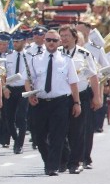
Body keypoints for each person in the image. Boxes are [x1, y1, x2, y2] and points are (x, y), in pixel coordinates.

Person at [26, 28, 81, 176]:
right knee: (39, 136)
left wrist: (77, 103)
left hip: (60, 102)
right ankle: (49, 161)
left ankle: (53, 166)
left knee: (58, 135)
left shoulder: (66, 60)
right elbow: (29, 79)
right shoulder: (35, 59)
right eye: (48, 40)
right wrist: (31, 94)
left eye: (54, 40)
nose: (51, 43)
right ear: (44, 41)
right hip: (41, 102)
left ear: (59, 42)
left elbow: (73, 83)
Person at [60, 25, 101, 173]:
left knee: (77, 130)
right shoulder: (56, 53)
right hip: (61, 96)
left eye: (67, 36)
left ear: (74, 38)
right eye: (62, 36)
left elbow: (93, 76)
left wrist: (97, 96)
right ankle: (63, 159)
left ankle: (75, 162)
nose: (64, 39)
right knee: (60, 129)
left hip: (81, 94)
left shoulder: (84, 54)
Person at [3, 31, 31, 154]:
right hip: (10, 88)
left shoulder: (30, 56)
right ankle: (16, 138)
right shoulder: (8, 56)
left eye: (18, 41)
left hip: (23, 89)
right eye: (13, 41)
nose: (15, 43)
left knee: (21, 116)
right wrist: (4, 87)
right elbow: (2, 74)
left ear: (24, 41)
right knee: (9, 118)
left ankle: (19, 144)